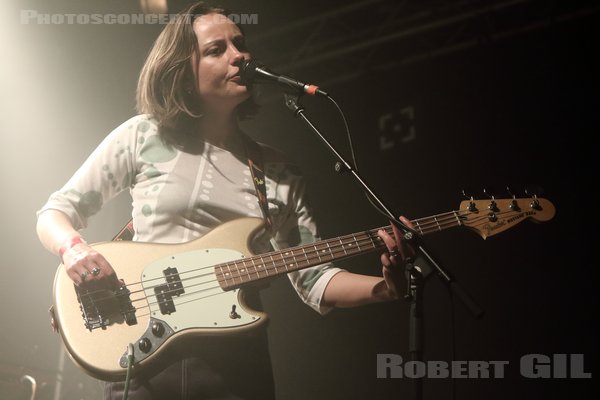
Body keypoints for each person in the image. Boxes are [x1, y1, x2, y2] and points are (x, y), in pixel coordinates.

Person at [36, 2, 414, 399]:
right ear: (182, 70)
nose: (240, 55)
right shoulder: (143, 137)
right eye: (217, 50)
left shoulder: (276, 171)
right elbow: (56, 212)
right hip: (145, 354)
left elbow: (314, 278)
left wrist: (387, 289)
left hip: (235, 363)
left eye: (240, 43)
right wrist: (74, 249)